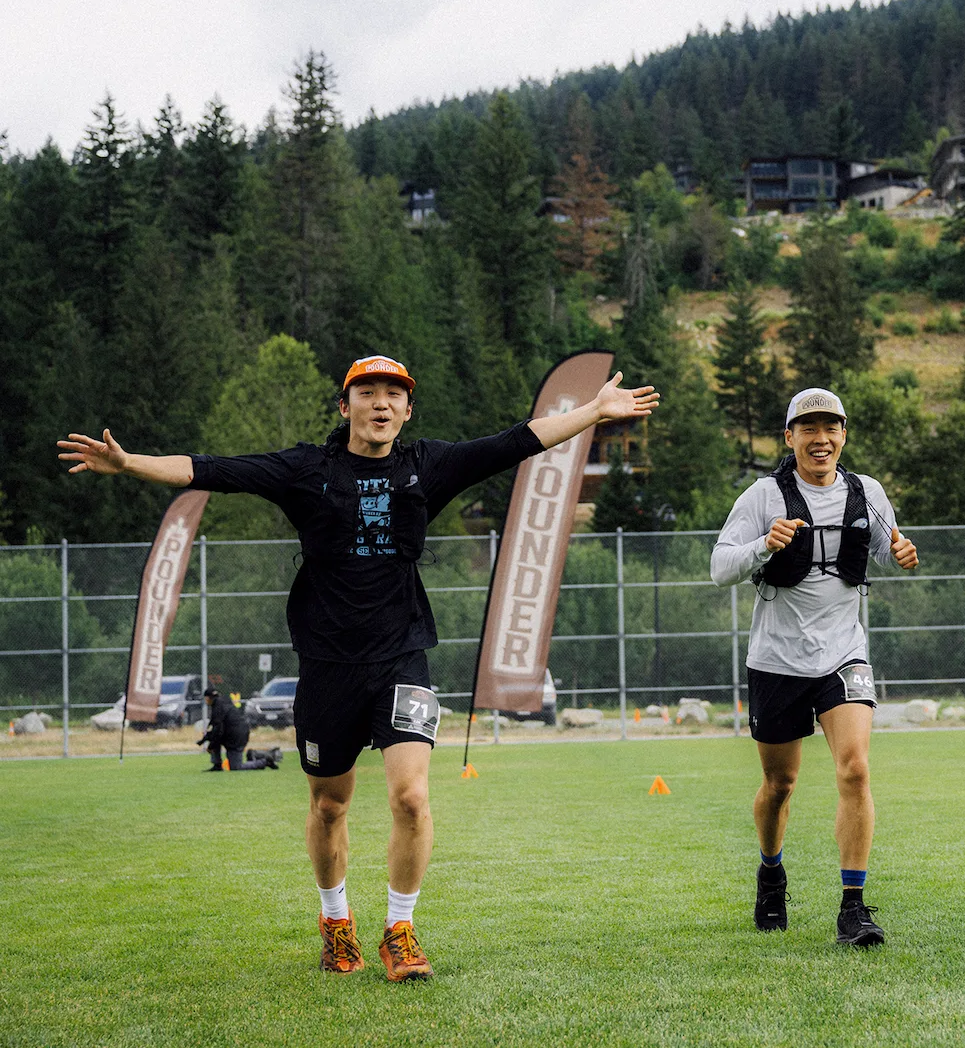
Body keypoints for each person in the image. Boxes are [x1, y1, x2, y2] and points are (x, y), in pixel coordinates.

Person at [59, 355, 657, 980]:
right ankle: (335, 922)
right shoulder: (307, 469)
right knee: (329, 807)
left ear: (406, 410)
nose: (380, 404)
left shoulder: (426, 466)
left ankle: (400, 930)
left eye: (393, 395)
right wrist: (129, 464)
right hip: (327, 666)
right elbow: (207, 469)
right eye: (366, 393)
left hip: (402, 656)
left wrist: (592, 412)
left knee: (411, 797)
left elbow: (516, 442)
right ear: (344, 407)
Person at [711, 388, 919, 947]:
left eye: (830, 427)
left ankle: (853, 908)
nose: (820, 438)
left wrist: (899, 552)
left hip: (843, 652)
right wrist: (762, 544)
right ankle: (771, 872)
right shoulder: (762, 496)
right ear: (790, 438)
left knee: (855, 769)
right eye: (808, 428)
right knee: (780, 783)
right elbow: (719, 566)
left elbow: (883, 545)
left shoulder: (866, 491)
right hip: (777, 660)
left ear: (843, 435)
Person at [197, 685, 276, 770]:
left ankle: (264, 761)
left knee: (236, 767)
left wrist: (210, 746)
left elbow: (218, 730)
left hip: (236, 738)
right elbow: (218, 729)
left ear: (208, 698)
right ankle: (217, 765)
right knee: (213, 737)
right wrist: (207, 740)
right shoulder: (223, 702)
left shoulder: (218, 707)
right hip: (238, 733)